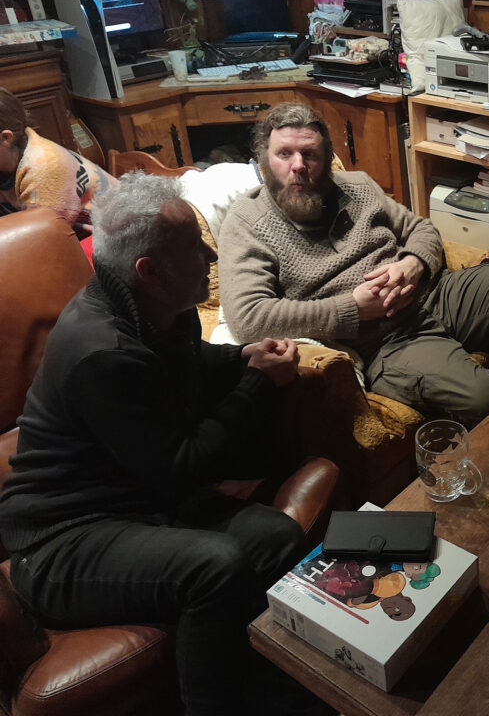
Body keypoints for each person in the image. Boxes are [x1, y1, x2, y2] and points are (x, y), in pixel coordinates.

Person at [0, 172, 324, 715]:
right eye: (195, 248)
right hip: (58, 542)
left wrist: (243, 358)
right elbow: (182, 468)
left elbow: (188, 364)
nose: (211, 256)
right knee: (213, 565)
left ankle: (282, 686)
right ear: (148, 271)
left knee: (277, 535)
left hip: (134, 504)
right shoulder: (102, 351)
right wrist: (257, 385)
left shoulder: (158, 309)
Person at [218, 102, 489, 426]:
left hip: (433, 294)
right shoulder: (249, 221)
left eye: (310, 154)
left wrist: (413, 263)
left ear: (326, 158)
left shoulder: (358, 186)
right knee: (484, 397)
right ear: (264, 160)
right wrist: (351, 309)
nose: (298, 166)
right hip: (384, 340)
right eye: (284, 154)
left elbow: (421, 229)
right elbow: (248, 318)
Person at [0, 87, 115, 231]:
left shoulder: (44, 169)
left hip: (111, 235)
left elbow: (43, 236)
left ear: (6, 138)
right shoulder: (8, 160)